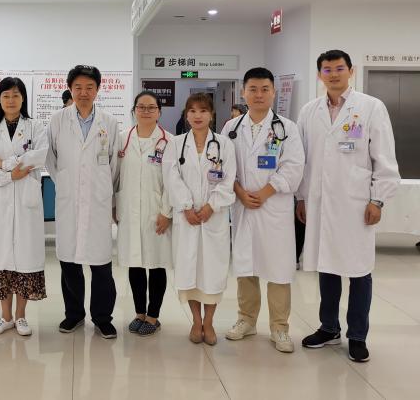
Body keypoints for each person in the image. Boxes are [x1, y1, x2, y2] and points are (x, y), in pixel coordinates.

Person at [297, 50, 400, 363]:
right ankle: (329, 327)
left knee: (358, 270)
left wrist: (377, 199)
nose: (333, 74)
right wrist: (301, 197)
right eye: (327, 70)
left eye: (339, 68)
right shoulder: (309, 111)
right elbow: (302, 159)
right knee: (326, 265)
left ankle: (357, 336)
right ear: (319, 75)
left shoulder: (370, 107)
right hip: (319, 202)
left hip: (356, 204)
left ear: (350, 71)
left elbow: (384, 158)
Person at [221, 68, 305, 353]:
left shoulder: (287, 128)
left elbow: (294, 168)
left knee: (278, 268)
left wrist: (266, 191)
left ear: (273, 92)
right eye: (253, 89)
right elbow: (223, 167)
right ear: (243, 92)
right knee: (246, 266)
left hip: (274, 208)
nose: (259, 95)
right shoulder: (231, 128)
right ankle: (246, 320)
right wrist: (239, 192)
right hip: (242, 206)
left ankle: (280, 327)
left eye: (265, 89)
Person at [46, 65, 121, 339]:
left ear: (98, 90)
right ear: (70, 89)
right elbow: (51, 159)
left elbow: (114, 164)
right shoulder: (57, 120)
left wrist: (105, 192)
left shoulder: (109, 122)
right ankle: (74, 314)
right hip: (69, 200)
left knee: (101, 264)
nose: (84, 92)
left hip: (98, 201)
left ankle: (102, 317)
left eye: (89, 87)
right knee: (69, 262)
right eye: (78, 87)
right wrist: (65, 182)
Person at [0, 77, 48, 337]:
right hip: (1, 199)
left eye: (16, 95)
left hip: (26, 202)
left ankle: (21, 317)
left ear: (23, 98)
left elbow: (38, 156)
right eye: (6, 95)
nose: (10, 100)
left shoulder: (35, 127)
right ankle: (5, 317)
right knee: (3, 258)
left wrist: (3, 163)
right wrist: (10, 175)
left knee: (26, 259)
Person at [162, 93, 236, 346]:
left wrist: (211, 206)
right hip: (187, 218)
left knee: (212, 272)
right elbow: (171, 177)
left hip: (214, 217)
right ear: (186, 115)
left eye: (203, 110)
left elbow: (228, 179)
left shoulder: (224, 145)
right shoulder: (176, 144)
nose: (197, 115)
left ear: (211, 114)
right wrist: (186, 206)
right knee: (189, 271)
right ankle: (196, 321)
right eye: (192, 111)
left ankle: (209, 322)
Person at [115, 91, 172, 337]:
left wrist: (166, 212)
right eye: (141, 107)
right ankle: (139, 313)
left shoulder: (169, 142)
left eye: (151, 107)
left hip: (157, 212)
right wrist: (114, 205)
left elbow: (172, 182)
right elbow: (115, 177)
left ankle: (153, 316)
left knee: (156, 264)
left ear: (159, 111)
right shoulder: (122, 140)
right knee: (135, 263)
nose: (146, 111)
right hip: (129, 210)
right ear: (134, 110)